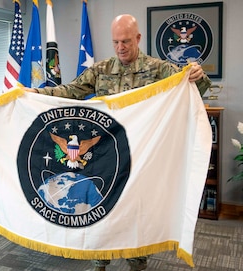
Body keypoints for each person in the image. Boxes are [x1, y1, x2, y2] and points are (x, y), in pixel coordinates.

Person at [25, 14, 211, 271]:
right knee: (100, 208)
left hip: (140, 156)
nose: (120, 47)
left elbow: (193, 88)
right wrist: (35, 93)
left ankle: (137, 261)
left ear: (137, 38)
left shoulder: (159, 69)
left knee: (135, 211)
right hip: (105, 157)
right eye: (115, 42)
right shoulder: (102, 70)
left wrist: (197, 76)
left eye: (125, 41)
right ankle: (100, 262)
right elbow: (69, 90)